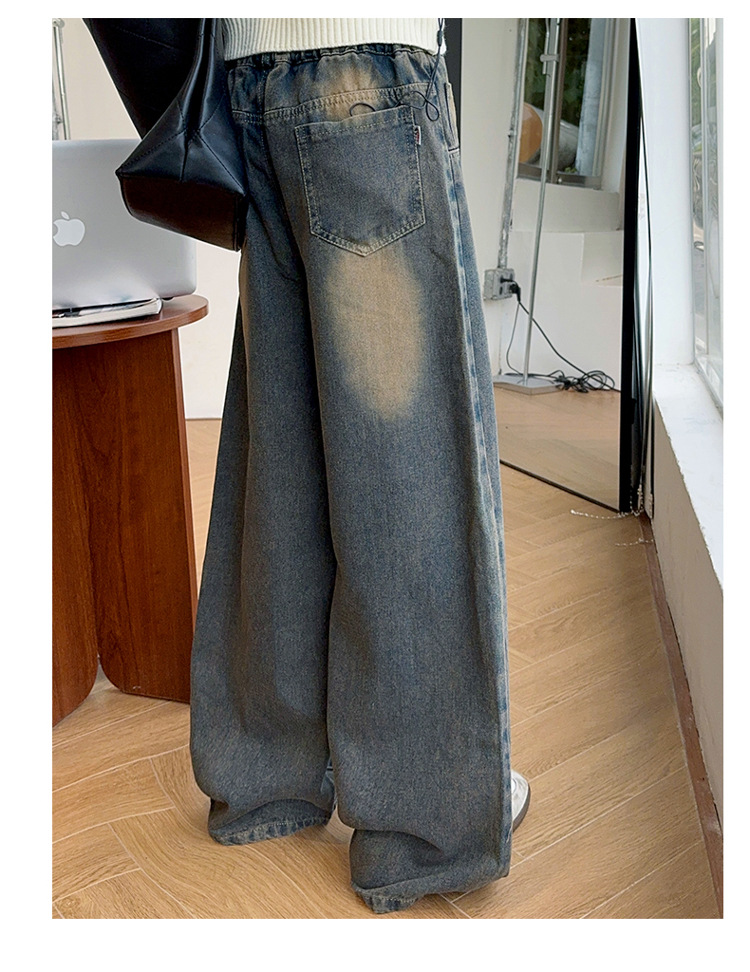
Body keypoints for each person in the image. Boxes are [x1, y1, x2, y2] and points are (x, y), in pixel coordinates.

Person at [93, 16, 530, 915]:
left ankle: (264, 779)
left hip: (248, 79)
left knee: (281, 461)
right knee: (409, 466)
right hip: (368, 72)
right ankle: (421, 824)